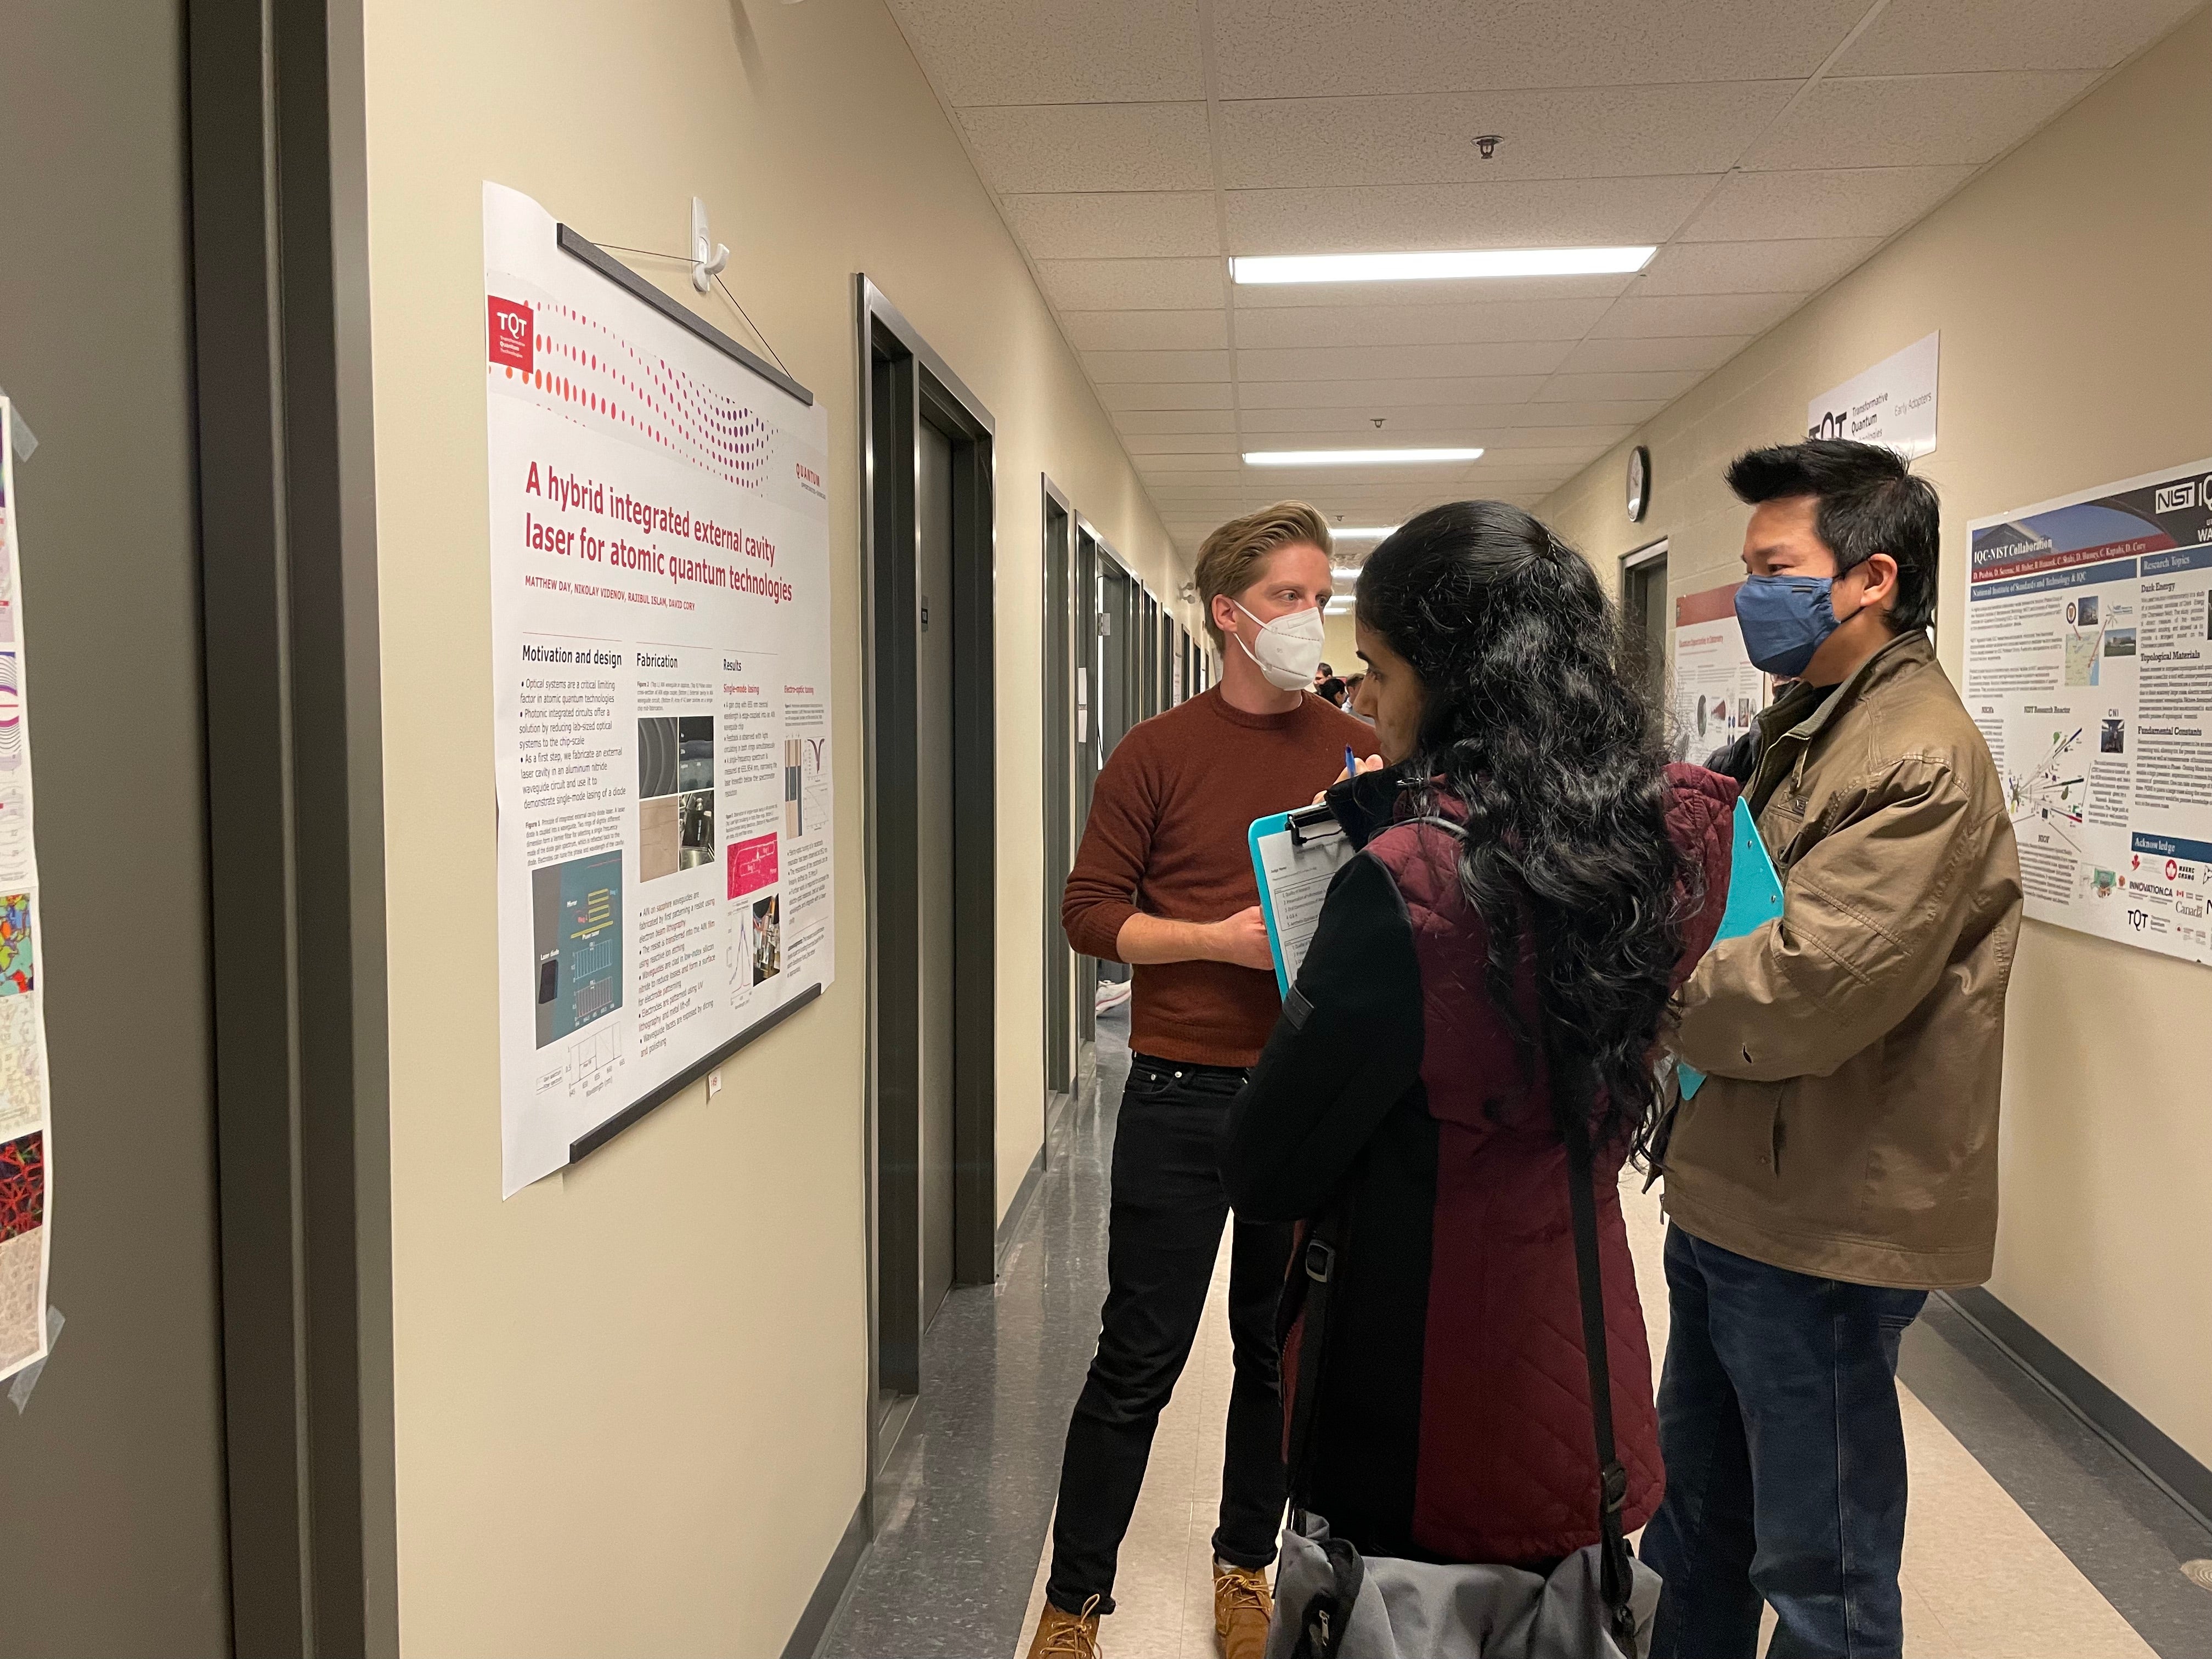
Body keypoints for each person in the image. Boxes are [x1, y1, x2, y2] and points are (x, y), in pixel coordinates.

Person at [1219, 502, 1734, 1576]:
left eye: (1379, 671)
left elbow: (1268, 1161)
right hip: (1582, 1365)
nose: (1362, 700)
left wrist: (1372, 868)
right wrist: (1409, 815)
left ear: (1456, 683)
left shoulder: (1408, 887)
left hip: (1424, 1401)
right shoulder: (1681, 834)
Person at [1643, 440, 2023, 1659]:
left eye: (1774, 566)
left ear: (1869, 579)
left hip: (1822, 1213)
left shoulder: (1918, 758)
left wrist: (1627, 981)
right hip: (1731, 1187)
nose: (1753, 590)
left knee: (1823, 1564)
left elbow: (1804, 986)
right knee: (1698, 1521)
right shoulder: (1809, 722)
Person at [1031, 501, 1373, 1659]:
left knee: (1275, 1354)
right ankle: (1073, 1603)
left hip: (1309, 1094)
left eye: (1320, 597)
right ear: (1229, 615)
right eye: (1287, 597)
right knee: (1140, 1354)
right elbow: (1088, 917)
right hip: (1181, 1096)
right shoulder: (1156, 753)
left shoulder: (1354, 751)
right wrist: (1213, 943)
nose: (1309, 618)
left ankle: (1246, 1566)